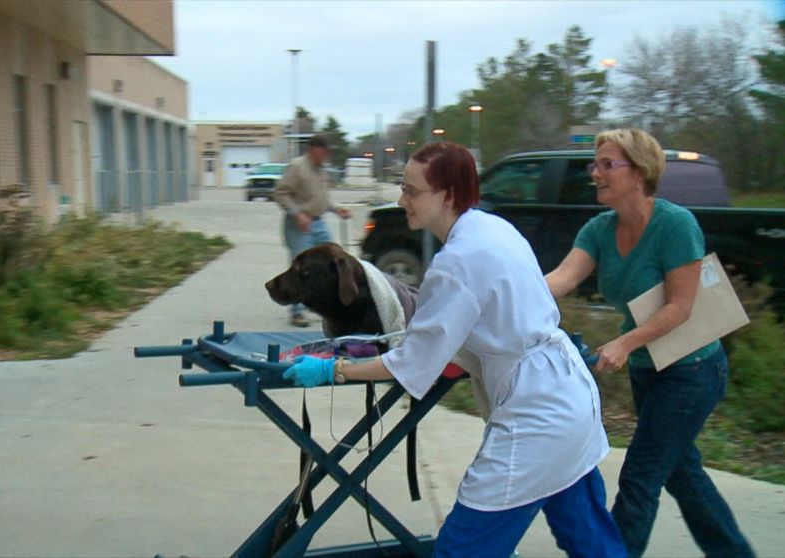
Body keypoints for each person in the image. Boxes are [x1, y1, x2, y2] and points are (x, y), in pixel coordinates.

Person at [283, 141, 626, 557]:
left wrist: (332, 370)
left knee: (461, 550)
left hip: (536, 419)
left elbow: (410, 363)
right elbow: (489, 319)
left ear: (446, 194)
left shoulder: (456, 262)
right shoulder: (493, 228)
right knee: (592, 544)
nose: (402, 199)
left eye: (411, 191)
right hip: (570, 400)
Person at [545, 128, 755, 558]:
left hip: (693, 371)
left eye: (607, 164)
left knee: (640, 478)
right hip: (648, 371)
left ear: (639, 173)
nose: (596, 174)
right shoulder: (599, 229)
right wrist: (510, 293)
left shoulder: (676, 225)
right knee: (682, 472)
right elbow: (561, 279)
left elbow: (680, 307)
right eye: (595, 164)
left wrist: (623, 343)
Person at [273, 135, 352, 327]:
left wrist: (335, 209)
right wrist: (297, 214)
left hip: (319, 223)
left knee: (331, 260)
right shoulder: (297, 166)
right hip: (299, 225)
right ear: (313, 149)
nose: (326, 155)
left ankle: (325, 306)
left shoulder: (321, 170)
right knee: (302, 268)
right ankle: (297, 312)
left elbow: (320, 198)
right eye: (323, 150)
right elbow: (280, 193)